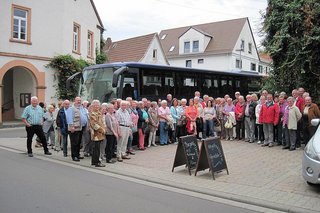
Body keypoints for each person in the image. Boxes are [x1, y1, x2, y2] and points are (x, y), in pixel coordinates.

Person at [65, 97, 88, 162]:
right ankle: (74, 156)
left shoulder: (82, 108)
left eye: (80, 100)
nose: (79, 101)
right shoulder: (71, 108)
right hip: (74, 128)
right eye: (78, 100)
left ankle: (77, 154)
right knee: (74, 142)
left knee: (78, 142)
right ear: (74, 101)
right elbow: (69, 118)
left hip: (81, 128)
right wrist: (71, 126)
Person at [88, 100, 106, 167]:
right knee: (96, 149)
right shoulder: (92, 114)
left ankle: (94, 161)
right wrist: (102, 130)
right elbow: (94, 125)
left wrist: (104, 128)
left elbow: (102, 122)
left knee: (97, 148)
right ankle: (97, 162)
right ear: (92, 106)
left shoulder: (99, 113)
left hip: (100, 134)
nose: (97, 107)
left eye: (98, 105)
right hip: (95, 134)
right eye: (95, 105)